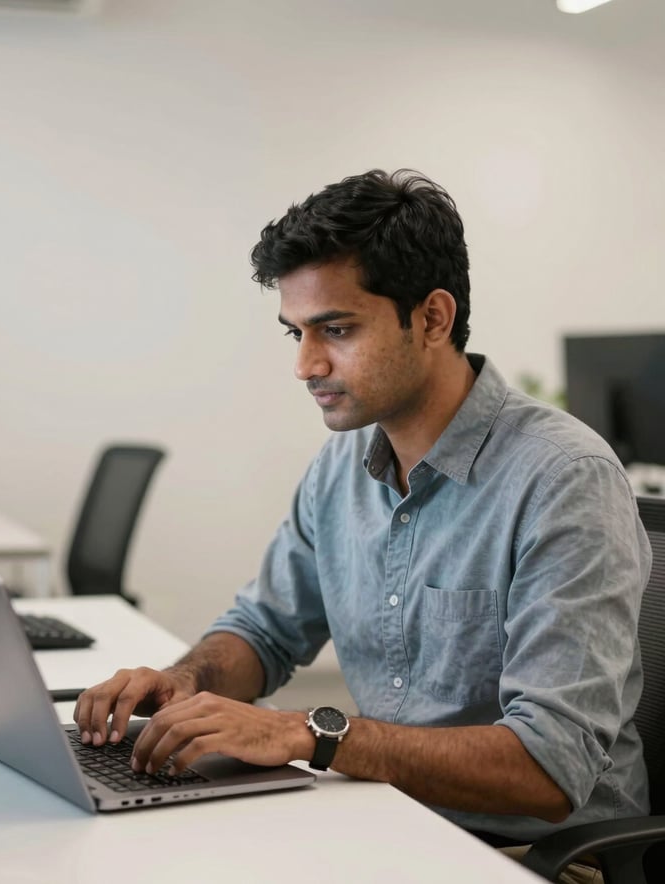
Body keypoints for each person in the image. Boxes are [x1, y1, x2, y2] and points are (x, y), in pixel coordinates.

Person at [74, 169, 651, 874]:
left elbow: (547, 768)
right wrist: (187, 682)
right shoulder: (341, 464)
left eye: (336, 330)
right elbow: (264, 631)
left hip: (531, 857)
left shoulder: (563, 479)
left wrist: (307, 735)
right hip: (386, 818)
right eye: (296, 333)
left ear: (433, 318)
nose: (306, 364)